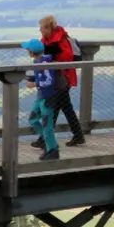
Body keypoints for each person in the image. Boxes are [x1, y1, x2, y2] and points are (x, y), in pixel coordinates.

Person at [37, 14, 86, 146]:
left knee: (54, 108)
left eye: (42, 28)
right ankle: (77, 135)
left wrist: (50, 59)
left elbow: (66, 57)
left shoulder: (61, 39)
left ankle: (44, 139)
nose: (40, 30)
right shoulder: (46, 39)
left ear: (49, 28)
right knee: (63, 107)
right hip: (56, 78)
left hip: (62, 77)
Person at [22, 39, 65, 161]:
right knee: (32, 120)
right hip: (41, 97)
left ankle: (52, 150)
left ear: (31, 51)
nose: (26, 51)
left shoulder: (43, 62)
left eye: (27, 49)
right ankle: (50, 143)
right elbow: (40, 76)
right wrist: (28, 77)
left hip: (47, 97)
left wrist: (35, 84)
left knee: (47, 125)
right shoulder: (38, 61)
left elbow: (48, 80)